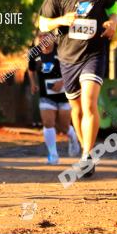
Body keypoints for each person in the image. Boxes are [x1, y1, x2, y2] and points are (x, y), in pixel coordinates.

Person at [38, 0, 117, 178]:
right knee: (76, 109)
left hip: (94, 53)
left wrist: (113, 22)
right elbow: (43, 24)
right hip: (68, 57)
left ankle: (86, 155)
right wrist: (61, 20)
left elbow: (114, 7)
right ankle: (87, 152)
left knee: (90, 103)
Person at [28, 32, 80, 164]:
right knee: (48, 123)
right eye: (40, 36)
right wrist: (33, 83)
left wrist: (62, 81)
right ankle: (53, 155)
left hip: (64, 95)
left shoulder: (62, 50)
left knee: (64, 126)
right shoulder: (34, 53)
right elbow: (31, 69)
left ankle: (73, 138)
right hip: (46, 96)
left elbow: (72, 68)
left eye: (45, 35)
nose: (42, 39)